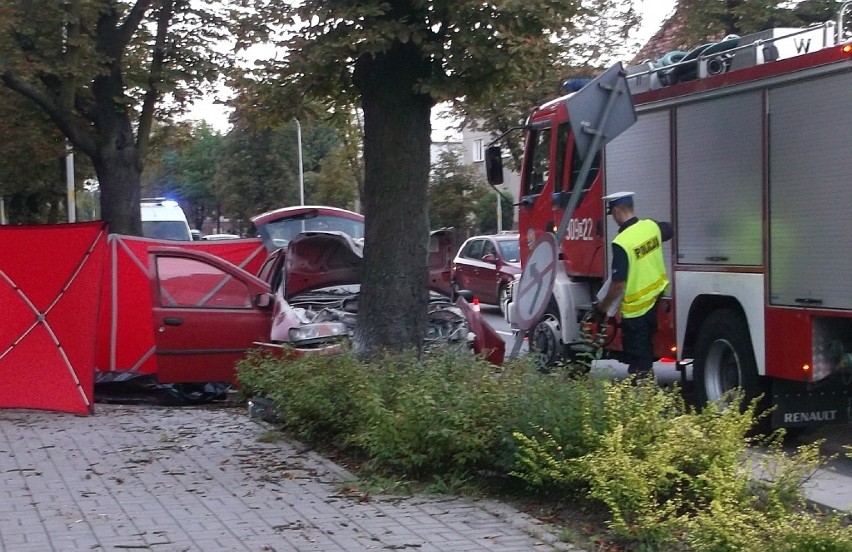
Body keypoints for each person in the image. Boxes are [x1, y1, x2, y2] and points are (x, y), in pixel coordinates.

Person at [593, 192, 673, 379]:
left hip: (636, 312)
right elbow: (669, 229)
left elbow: (618, 284)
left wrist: (603, 307)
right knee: (645, 355)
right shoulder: (651, 226)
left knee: (639, 364)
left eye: (612, 214)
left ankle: (642, 400)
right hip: (654, 301)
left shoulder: (621, 242)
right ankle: (646, 397)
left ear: (617, 210)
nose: (613, 218)